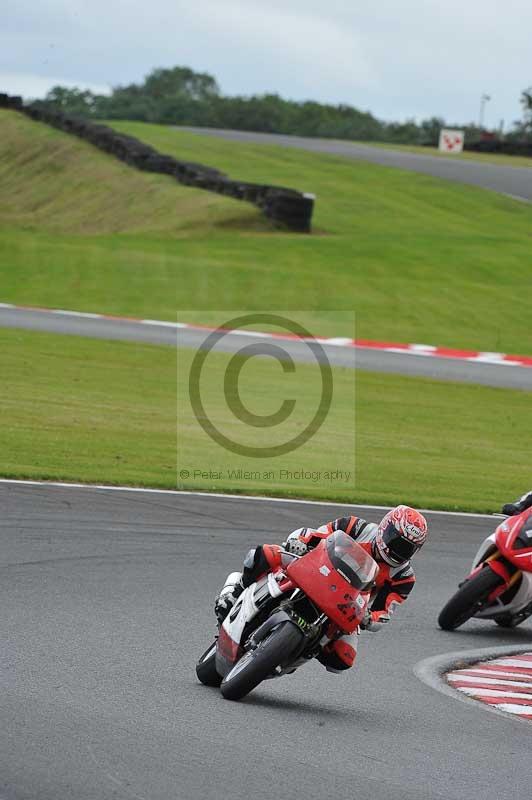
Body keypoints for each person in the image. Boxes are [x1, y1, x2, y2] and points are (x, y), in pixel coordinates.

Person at [215, 505, 428, 673]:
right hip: (317, 571)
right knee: (266, 553)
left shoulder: (404, 577)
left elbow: (385, 611)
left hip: (348, 604)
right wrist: (300, 541)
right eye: (395, 540)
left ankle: (298, 650)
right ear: (385, 527)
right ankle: (235, 591)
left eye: (406, 548)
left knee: (342, 659)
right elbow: (319, 534)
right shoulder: (356, 527)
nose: (396, 549)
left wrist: (370, 618)